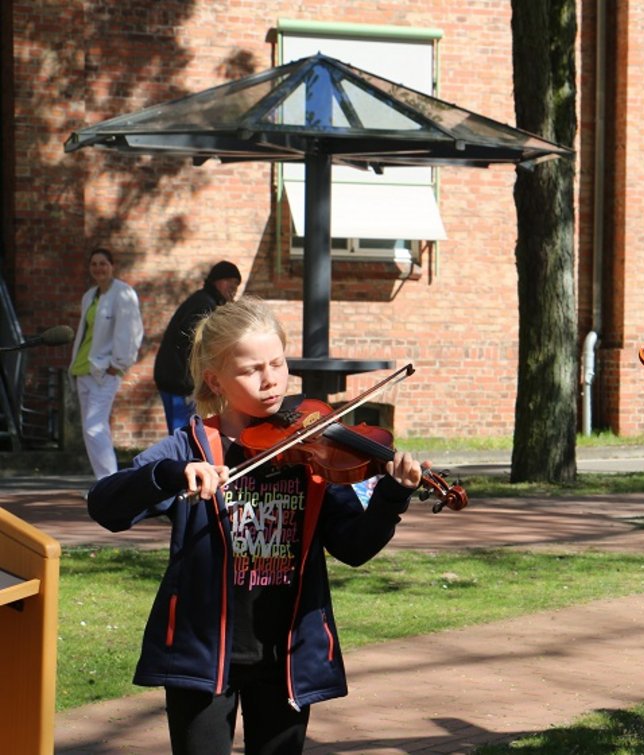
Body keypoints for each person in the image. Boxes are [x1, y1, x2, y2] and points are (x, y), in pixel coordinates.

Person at [86, 297, 424, 754]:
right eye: (250, 370)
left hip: (284, 656)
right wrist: (170, 474)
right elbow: (105, 506)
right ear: (215, 379)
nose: (270, 381)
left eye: (278, 364)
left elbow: (354, 546)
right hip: (203, 655)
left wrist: (391, 496)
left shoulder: (313, 448)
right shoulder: (190, 446)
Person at [69, 247, 144, 479]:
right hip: (83, 369)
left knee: (95, 428)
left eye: (103, 263)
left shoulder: (124, 293)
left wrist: (119, 364)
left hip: (106, 371)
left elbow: (131, 333)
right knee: (91, 430)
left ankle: (110, 485)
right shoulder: (90, 296)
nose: (98, 268)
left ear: (112, 266)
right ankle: (105, 482)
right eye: (94, 264)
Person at [154, 260, 242, 433]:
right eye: (230, 282)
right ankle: (185, 461)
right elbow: (196, 343)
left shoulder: (203, 300)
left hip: (173, 379)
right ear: (216, 281)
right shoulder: (204, 304)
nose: (234, 288)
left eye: (236, 285)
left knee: (181, 434)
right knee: (184, 436)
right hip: (179, 383)